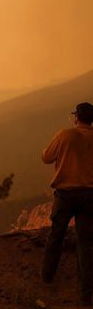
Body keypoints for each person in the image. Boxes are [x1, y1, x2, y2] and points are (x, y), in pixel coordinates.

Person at [41, 102, 93, 307]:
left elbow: (46, 157)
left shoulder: (65, 135)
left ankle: (47, 277)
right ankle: (86, 294)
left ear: (76, 117)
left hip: (65, 195)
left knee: (56, 235)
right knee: (86, 242)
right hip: (89, 195)